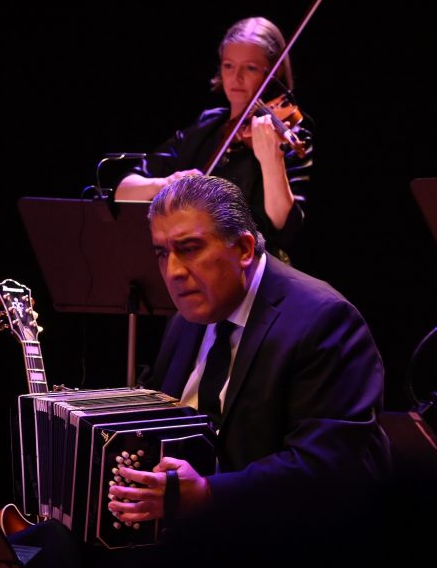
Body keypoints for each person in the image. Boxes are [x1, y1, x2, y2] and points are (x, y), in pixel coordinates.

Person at [106, 175, 389, 564]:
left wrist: (207, 494)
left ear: (242, 247)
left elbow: (326, 467)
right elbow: (164, 422)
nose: (172, 271)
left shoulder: (324, 320)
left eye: (188, 249)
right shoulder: (187, 318)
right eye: (161, 253)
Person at [115, 17, 312, 261]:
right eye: (229, 65)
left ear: (274, 72)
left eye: (250, 67)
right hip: (191, 263)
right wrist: (166, 184)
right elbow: (123, 191)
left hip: (253, 268)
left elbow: (284, 227)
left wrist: (271, 159)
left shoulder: (286, 135)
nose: (236, 77)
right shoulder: (207, 126)